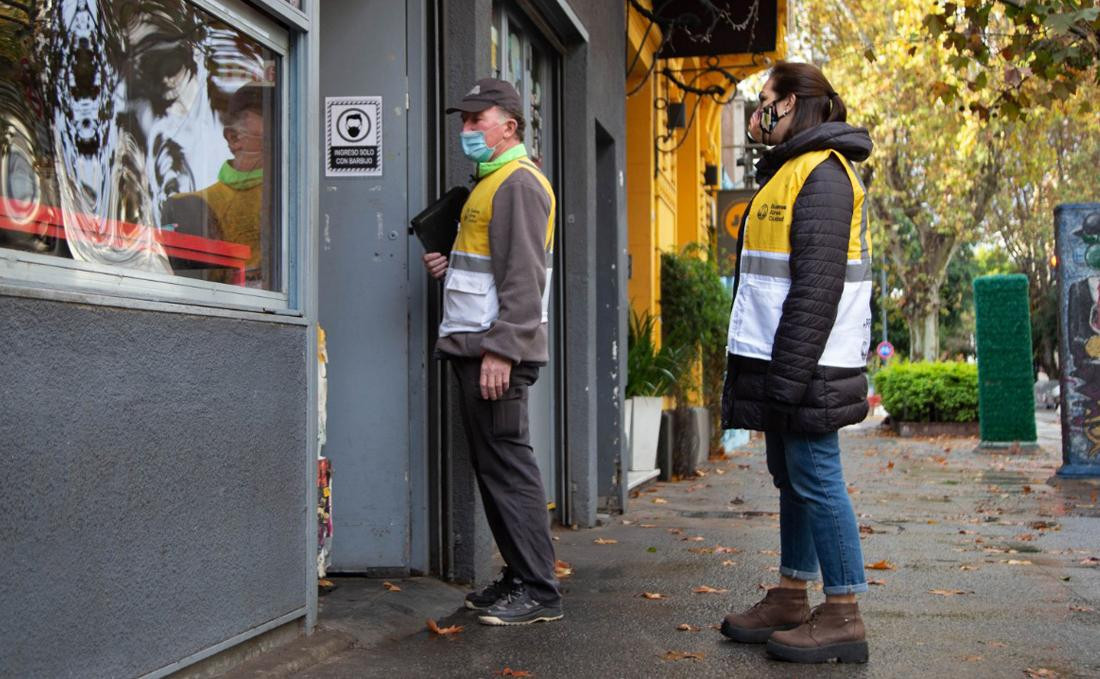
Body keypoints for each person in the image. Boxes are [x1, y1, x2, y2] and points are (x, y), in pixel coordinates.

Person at [717, 62, 874, 664]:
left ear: (797, 105)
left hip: (811, 366)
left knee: (818, 479)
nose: (760, 113)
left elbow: (816, 290)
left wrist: (787, 377)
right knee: (794, 480)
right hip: (787, 361)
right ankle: (790, 594)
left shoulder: (824, 177)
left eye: (768, 102)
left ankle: (842, 613)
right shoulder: (790, 172)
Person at [422, 78, 561, 626]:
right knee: (494, 466)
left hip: (495, 354)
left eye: (476, 120)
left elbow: (525, 278)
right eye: (463, 121)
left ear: (509, 124)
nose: (466, 129)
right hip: (476, 348)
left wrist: (502, 351)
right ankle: (519, 573)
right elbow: (487, 267)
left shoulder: (519, 184)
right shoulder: (489, 181)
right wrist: (448, 265)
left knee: (508, 467)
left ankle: (539, 590)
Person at [163, 82, 270, 286]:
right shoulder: (187, 206)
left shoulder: (302, 195)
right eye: (267, 116)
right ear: (234, 138)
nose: (283, 124)